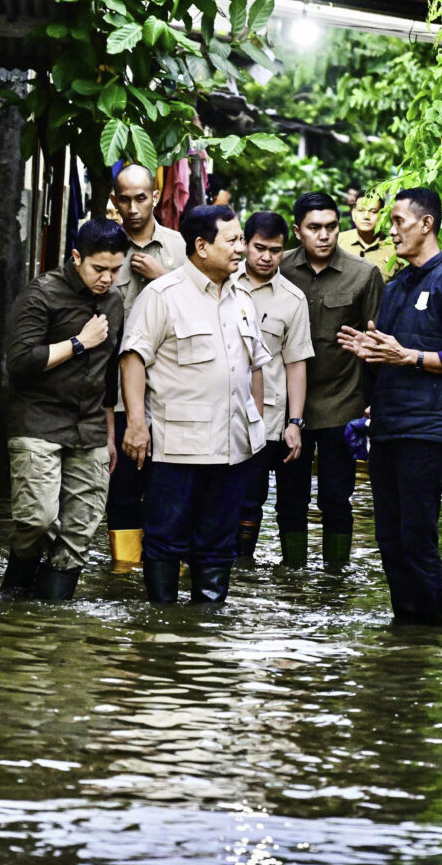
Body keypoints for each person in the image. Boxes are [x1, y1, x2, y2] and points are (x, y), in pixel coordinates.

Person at [338, 186, 442, 627]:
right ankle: (406, 635)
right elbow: (390, 353)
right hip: (387, 428)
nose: (392, 231)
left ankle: (435, 636)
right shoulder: (398, 285)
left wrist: (412, 357)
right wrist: (371, 351)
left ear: (427, 224)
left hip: (427, 432)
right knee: (389, 538)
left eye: (399, 221)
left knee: (417, 539)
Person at [118, 205, 269, 604]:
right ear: (201, 246)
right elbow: (133, 357)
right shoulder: (163, 295)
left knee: (219, 543)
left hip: (233, 446)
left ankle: (207, 631)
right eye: (233, 240)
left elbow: (254, 366)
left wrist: (259, 425)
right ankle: (163, 629)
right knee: (165, 539)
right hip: (178, 446)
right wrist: (136, 423)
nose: (242, 249)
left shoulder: (241, 297)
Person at [0, 218, 130, 600]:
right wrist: (79, 342)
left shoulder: (114, 302)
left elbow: (108, 374)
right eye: (99, 269)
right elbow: (20, 361)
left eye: (115, 269)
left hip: (89, 427)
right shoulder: (42, 294)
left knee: (80, 531)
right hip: (38, 421)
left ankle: (53, 616)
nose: (107, 278)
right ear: (77, 257)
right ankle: (13, 598)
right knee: (37, 521)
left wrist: (109, 435)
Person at [277, 191, 383, 569]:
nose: (324, 235)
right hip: (289, 407)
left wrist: (374, 403)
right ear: (297, 231)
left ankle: (335, 577)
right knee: (290, 496)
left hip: (343, 402)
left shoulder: (364, 273)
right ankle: (292, 573)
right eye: (314, 228)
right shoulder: (280, 268)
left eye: (331, 227)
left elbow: (378, 345)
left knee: (337, 498)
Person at [105, 163, 187, 571]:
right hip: (117, 394)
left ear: (156, 196)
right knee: (121, 487)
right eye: (125, 199)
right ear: (114, 199)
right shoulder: (103, 245)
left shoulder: (180, 246)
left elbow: (199, 310)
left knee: (167, 488)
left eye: (142, 197)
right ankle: (122, 574)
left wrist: (164, 277)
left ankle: (163, 572)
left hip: (171, 395)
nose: (133, 208)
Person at [232, 212, 313, 562]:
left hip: (265, 420)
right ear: (245, 244)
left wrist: (294, 423)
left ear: (285, 250)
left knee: (252, 498)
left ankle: (242, 570)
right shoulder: (223, 283)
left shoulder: (293, 300)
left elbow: (296, 363)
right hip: (216, 412)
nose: (266, 257)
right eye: (259, 248)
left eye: (275, 250)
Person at [338, 193, 396, 279]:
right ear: (353, 214)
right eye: (361, 211)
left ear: (382, 216)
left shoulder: (394, 248)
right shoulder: (337, 242)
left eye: (373, 211)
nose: (366, 216)